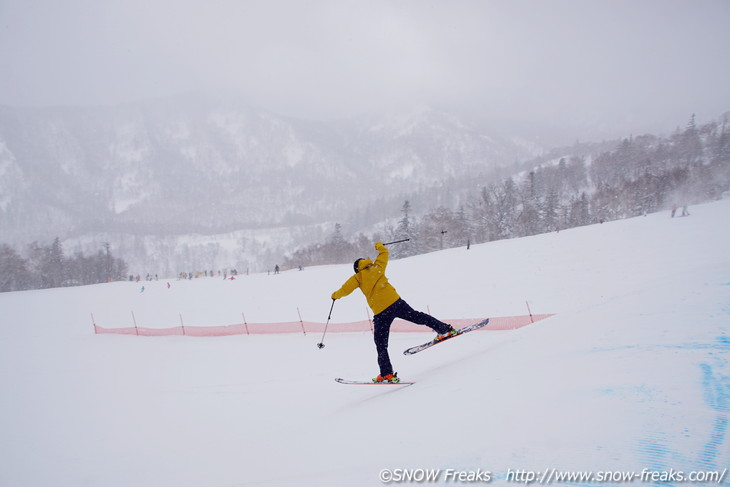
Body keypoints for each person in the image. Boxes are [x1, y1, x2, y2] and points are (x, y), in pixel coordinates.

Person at [331, 241, 456, 383]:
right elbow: (384, 253)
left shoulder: (357, 277)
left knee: (381, 344)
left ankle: (387, 374)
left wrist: (335, 295)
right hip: (396, 302)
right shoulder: (377, 267)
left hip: (381, 312)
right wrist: (379, 246)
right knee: (418, 316)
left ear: (356, 269)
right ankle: (444, 329)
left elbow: (345, 289)